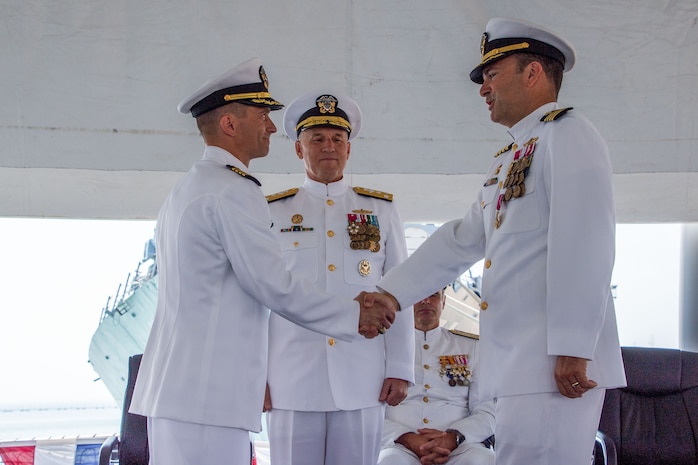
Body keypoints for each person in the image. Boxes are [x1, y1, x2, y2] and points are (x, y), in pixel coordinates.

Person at [376, 18, 627, 465]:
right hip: (519, 365)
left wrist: (573, 347)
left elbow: (587, 243)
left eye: (492, 74)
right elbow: (460, 240)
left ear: (531, 73)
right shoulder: (511, 158)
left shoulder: (568, 134)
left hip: (558, 365)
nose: (482, 88)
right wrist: (389, 293)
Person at [128, 58, 398, 465]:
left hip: (184, 391)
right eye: (262, 115)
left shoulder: (189, 187)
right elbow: (273, 283)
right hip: (209, 394)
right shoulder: (232, 191)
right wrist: (352, 314)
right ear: (230, 125)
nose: (271, 126)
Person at [263, 91, 415, 465]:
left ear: (349, 149)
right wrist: (255, 376)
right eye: (317, 139)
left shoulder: (379, 208)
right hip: (290, 379)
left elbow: (399, 290)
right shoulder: (272, 211)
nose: (328, 147)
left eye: (337, 139)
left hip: (363, 376)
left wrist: (400, 367)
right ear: (299, 150)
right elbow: (257, 299)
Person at [378, 287, 495, 465]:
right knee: (389, 462)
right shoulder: (382, 348)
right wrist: (406, 438)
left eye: (433, 295)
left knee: (484, 460)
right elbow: (368, 411)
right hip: (399, 445)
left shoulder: (471, 347)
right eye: (418, 296)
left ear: (444, 302)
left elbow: (488, 411)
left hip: (460, 447)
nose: (426, 301)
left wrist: (453, 437)